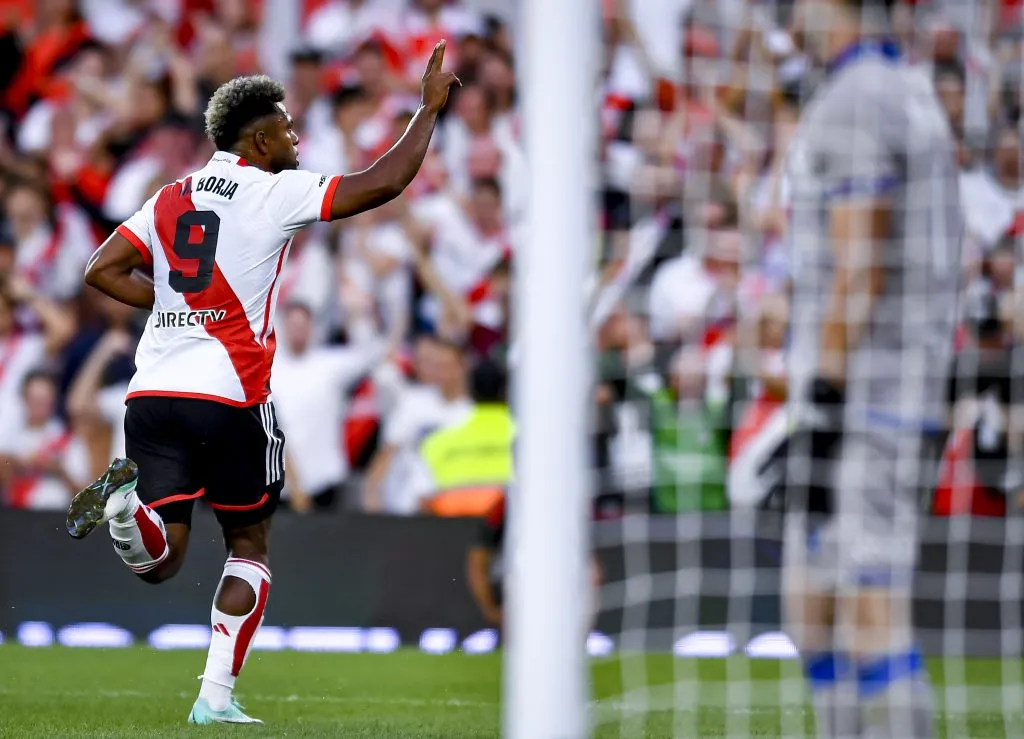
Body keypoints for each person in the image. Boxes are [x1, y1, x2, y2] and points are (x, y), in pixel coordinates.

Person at [63, 42, 460, 725]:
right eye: (287, 127)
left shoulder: (170, 195)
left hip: (151, 395)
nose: (296, 137)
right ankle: (214, 698)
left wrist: (173, 302)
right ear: (259, 139)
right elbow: (383, 182)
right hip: (231, 396)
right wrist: (427, 111)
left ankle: (126, 510)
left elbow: (100, 269)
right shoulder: (274, 191)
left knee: (162, 560)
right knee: (248, 545)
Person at [758, 1, 962, 737]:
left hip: (865, 402)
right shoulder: (904, 87)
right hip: (885, 388)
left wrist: (821, 401)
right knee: (810, 607)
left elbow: (860, 270)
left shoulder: (859, 98)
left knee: (870, 609)